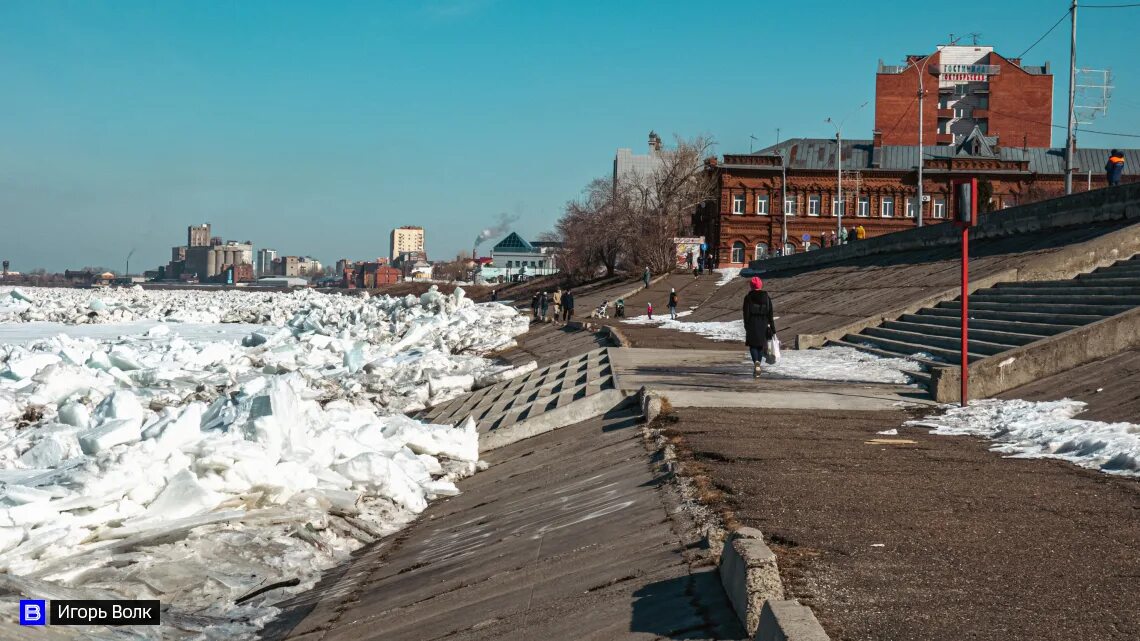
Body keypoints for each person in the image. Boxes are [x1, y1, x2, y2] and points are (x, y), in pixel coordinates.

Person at [742, 276, 776, 378]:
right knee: (761, 346)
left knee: (753, 346)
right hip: (763, 323)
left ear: (751, 286)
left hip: (752, 323)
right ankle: (758, 364)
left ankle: (756, 362)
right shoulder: (767, 297)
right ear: (760, 285)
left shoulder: (748, 297)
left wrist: (746, 325)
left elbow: (746, 313)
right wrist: (773, 328)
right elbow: (770, 313)